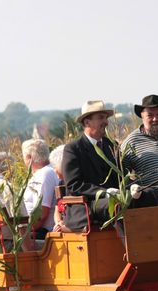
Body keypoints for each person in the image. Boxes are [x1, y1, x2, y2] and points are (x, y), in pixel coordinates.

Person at [62, 100, 120, 231]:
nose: (106, 122)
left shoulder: (112, 145)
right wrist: (104, 193)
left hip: (111, 200)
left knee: (146, 196)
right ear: (87, 122)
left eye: (106, 118)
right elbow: (73, 184)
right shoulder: (73, 149)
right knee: (117, 205)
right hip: (87, 205)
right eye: (100, 118)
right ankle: (130, 249)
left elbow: (121, 175)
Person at [22, 139, 59, 238]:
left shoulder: (44, 174)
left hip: (42, 232)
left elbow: (41, 214)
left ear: (29, 158)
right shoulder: (47, 172)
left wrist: (23, 231)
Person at [48, 144, 71, 233]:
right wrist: (58, 223)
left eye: (55, 166)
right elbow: (57, 209)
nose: (54, 170)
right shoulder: (61, 183)